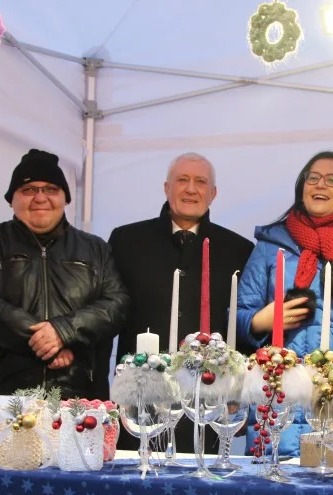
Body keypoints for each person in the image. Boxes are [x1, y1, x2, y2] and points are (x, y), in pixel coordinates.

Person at [0, 149, 130, 458]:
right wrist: (44, 340)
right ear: (12, 199)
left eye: (51, 189)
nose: (40, 197)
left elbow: (116, 304)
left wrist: (64, 331)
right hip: (5, 400)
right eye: (28, 190)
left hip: (79, 403)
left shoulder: (96, 249)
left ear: (65, 198)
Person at [108, 153, 253, 453]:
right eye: (182, 180)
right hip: (141, 399)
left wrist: (240, 390)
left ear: (213, 193)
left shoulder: (238, 249)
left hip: (206, 398)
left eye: (200, 182)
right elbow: (109, 310)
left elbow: (242, 321)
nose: (191, 189)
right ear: (166, 188)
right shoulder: (126, 241)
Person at [236, 151, 333, 458]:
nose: (321, 184)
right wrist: (260, 321)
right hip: (277, 390)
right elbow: (238, 314)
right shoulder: (271, 246)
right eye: (313, 177)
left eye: (332, 179)